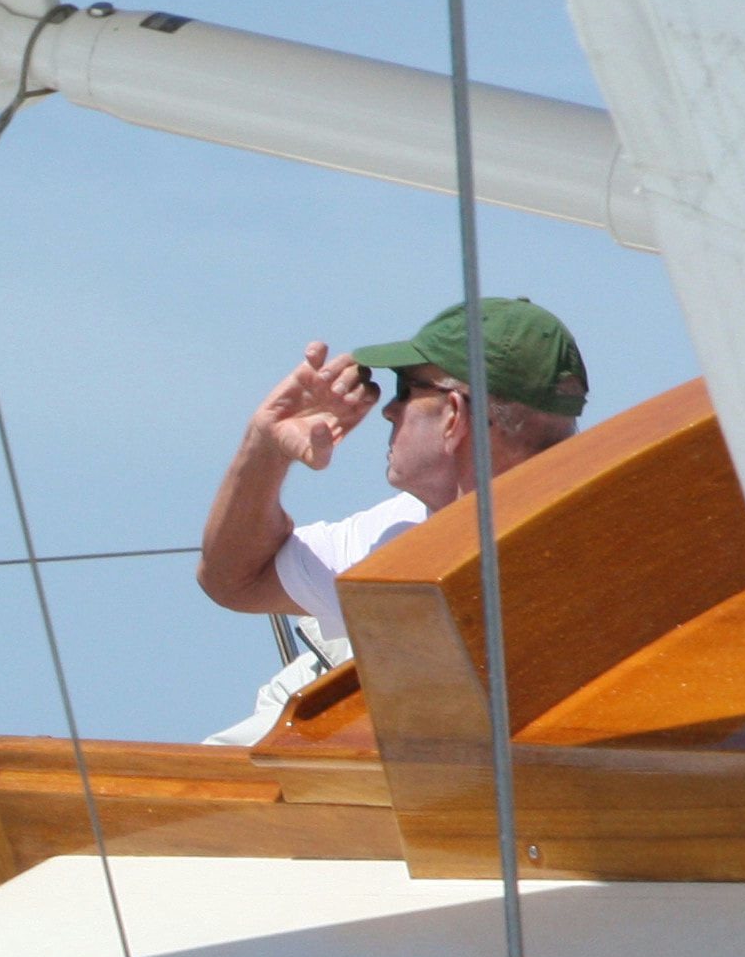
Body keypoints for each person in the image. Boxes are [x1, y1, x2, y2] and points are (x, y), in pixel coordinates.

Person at [197, 296, 592, 737]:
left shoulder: (583, 543)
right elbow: (235, 579)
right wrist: (265, 446)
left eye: (406, 392)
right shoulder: (401, 528)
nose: (389, 409)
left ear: (454, 416)